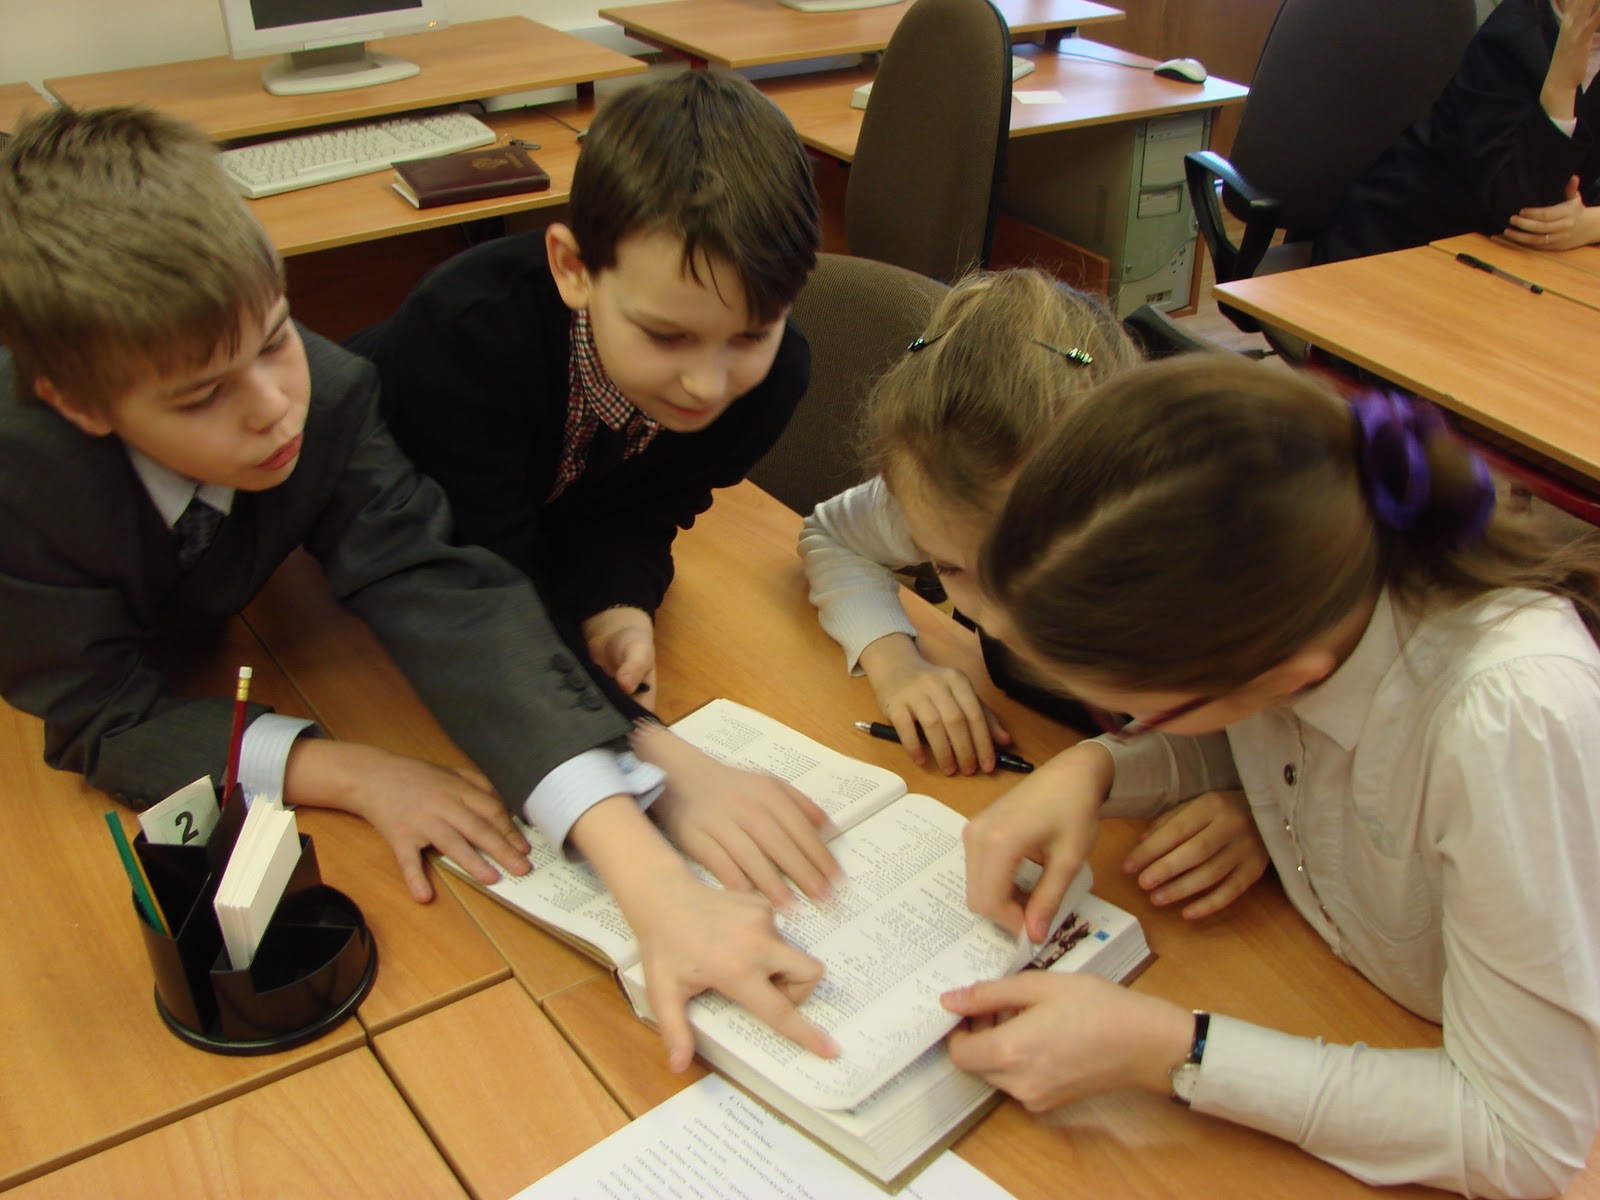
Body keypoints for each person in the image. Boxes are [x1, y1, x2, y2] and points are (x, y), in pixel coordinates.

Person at [0, 105, 839, 1074]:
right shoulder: (22, 486)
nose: (277, 408)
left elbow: (446, 592)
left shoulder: (328, 391)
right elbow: (100, 717)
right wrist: (355, 773)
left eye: (274, 340)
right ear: (76, 401)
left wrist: (649, 877)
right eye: (202, 396)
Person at [944, 354, 1600, 1197]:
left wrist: (1174, 1050)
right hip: (1361, 995)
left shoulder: (1510, 725)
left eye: (1139, 710)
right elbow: (1251, 731)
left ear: (1284, 672)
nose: (1133, 724)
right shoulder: (1310, 595)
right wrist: (1095, 766)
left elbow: (1524, 1137)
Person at [801, 270, 1269, 921]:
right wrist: (895, 662)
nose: (998, 621)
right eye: (952, 568)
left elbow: (1313, 740)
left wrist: (1265, 812)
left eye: (1031, 568)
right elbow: (829, 535)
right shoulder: (939, 492)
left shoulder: (1214, 562)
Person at [353, 68, 818, 708]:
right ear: (573, 269)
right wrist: (601, 712)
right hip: (358, 536)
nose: (706, 385)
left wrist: (616, 607)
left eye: (751, 335)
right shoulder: (464, 333)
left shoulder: (771, 382)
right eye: (666, 336)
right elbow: (472, 573)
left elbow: (638, 512)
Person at [1314, 0, 1600, 264]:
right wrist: (1562, 84)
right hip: (1396, 246)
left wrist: (1589, 224)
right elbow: (1524, 208)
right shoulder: (1511, 41)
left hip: (1499, 263)